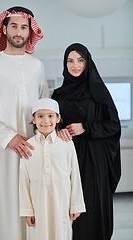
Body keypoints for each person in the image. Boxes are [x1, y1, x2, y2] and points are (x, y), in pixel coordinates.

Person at [0, 6, 49, 240]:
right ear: (4, 29)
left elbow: (45, 107)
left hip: (34, 148)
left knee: (35, 204)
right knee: (4, 205)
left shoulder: (37, 66)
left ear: (30, 32)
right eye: (14, 26)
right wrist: (9, 137)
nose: (19, 31)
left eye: (24, 27)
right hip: (2, 150)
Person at [52, 43, 121, 240]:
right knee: (70, 208)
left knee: (91, 206)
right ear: (65, 64)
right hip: (67, 158)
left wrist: (86, 127)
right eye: (70, 61)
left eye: (80, 60)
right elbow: (53, 122)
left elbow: (114, 125)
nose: (75, 65)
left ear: (88, 62)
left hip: (94, 160)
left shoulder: (99, 91)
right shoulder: (58, 95)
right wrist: (57, 130)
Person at [19, 98, 86, 240]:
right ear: (33, 119)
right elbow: (23, 180)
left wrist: (76, 205)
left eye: (50, 116)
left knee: (62, 233)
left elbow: (75, 175)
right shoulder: (28, 145)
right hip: (38, 203)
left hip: (62, 202)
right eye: (40, 116)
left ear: (58, 118)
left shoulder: (66, 144)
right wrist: (27, 210)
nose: (45, 121)